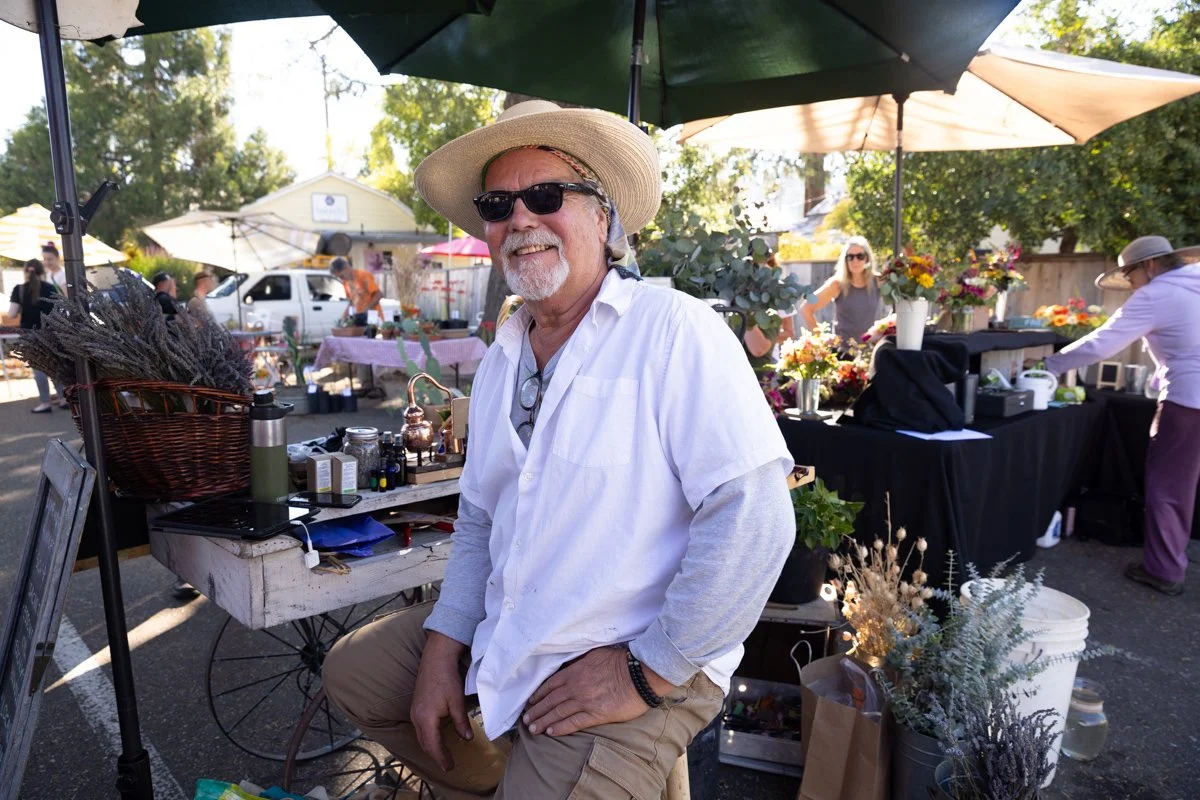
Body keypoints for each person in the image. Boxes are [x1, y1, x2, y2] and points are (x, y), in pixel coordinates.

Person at [323, 100, 796, 799]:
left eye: (546, 195)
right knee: (354, 675)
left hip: (630, 650)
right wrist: (441, 650)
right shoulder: (501, 358)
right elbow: (482, 518)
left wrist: (648, 671)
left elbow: (755, 518)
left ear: (604, 220)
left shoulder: (673, 330)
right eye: (498, 203)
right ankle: (497, 774)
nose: (520, 218)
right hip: (517, 628)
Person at [1044, 235, 1200, 596]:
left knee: (1169, 486)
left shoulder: (1157, 293)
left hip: (1188, 401)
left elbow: (1102, 342)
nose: (1131, 285)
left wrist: (1050, 363)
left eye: (1130, 276)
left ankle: (1163, 570)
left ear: (1149, 266)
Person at [798, 236, 885, 340]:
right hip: (843, 352)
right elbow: (806, 308)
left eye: (860, 256)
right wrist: (821, 339)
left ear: (867, 259)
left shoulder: (878, 281)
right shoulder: (837, 284)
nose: (855, 261)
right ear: (845, 260)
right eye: (850, 257)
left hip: (871, 350)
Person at [5, 259, 63, 413]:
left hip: (29, 333)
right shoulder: (50, 288)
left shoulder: (20, 290)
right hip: (50, 332)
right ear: (42, 272)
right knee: (55, 366)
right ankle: (64, 399)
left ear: (25, 272)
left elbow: (11, 313)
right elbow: (58, 310)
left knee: (39, 369)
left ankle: (45, 403)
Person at [330, 256, 383, 325]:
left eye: (341, 276)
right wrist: (343, 318)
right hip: (359, 319)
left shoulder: (363, 276)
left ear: (346, 268)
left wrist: (366, 309)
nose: (342, 279)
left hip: (373, 318)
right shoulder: (346, 282)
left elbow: (379, 294)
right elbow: (351, 302)